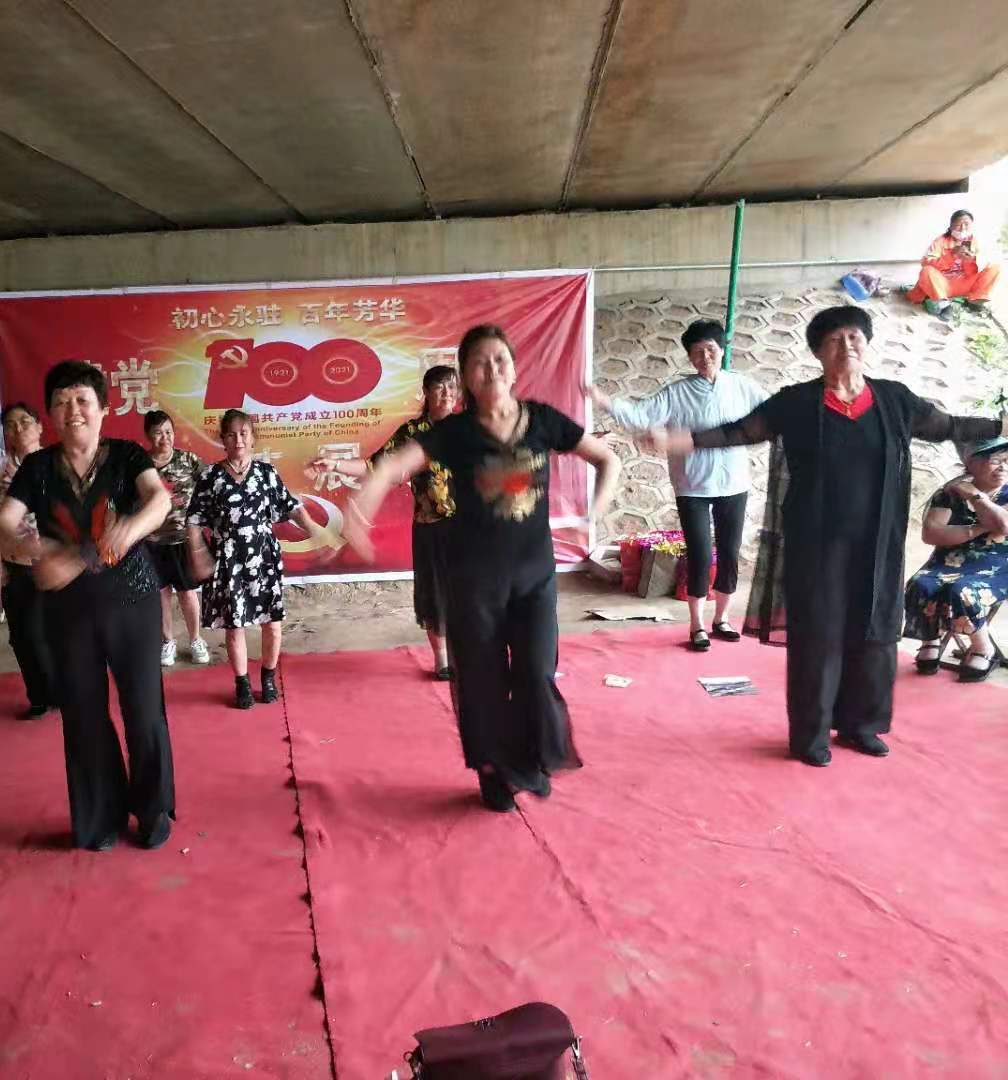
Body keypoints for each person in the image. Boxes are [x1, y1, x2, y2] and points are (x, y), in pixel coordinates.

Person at [646, 305, 1006, 766]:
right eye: (835, 339)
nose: (847, 345)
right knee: (818, 636)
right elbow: (742, 431)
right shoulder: (796, 402)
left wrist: (1000, 427)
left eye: (855, 336)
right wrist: (687, 441)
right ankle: (811, 735)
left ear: (867, 343)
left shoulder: (894, 399)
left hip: (876, 545)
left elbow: (949, 426)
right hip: (815, 544)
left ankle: (861, 725)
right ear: (818, 351)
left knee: (873, 632)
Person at [345, 325, 621, 810]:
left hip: (534, 578)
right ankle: (494, 774)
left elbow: (606, 459)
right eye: (479, 362)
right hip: (474, 582)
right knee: (483, 680)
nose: (491, 369)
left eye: (499, 360)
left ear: (513, 369)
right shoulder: (454, 433)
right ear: (466, 377)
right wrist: (358, 513)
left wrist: (594, 513)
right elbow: (390, 467)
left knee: (537, 672)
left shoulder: (542, 420)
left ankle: (530, 761)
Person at [0, 361, 176, 851]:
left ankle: (153, 809)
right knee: (82, 714)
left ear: (102, 409)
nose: (72, 410)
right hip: (68, 609)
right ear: (50, 414)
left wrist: (128, 529)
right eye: (61, 402)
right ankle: (99, 818)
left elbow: (159, 501)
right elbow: (2, 523)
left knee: (143, 709)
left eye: (82, 401)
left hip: (132, 600)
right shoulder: (37, 468)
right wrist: (35, 551)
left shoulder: (127, 456)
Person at [589, 319, 767, 650]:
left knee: (729, 552)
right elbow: (641, 414)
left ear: (722, 350)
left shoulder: (742, 387)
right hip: (692, 487)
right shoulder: (677, 393)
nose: (704, 357)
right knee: (700, 554)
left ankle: (722, 619)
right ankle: (697, 625)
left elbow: (769, 415)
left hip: (734, 484)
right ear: (689, 357)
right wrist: (605, 401)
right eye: (697, 352)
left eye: (710, 350)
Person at [309, 364, 461, 678]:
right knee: (435, 594)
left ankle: (468, 654)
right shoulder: (413, 433)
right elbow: (374, 467)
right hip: (430, 527)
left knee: (470, 591)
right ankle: (442, 659)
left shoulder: (469, 428)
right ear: (426, 392)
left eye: (452, 386)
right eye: (439, 386)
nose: (447, 393)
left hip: (468, 528)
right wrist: (335, 464)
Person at [186, 410, 334, 710]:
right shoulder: (210, 476)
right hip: (228, 560)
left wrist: (317, 531)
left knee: (273, 624)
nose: (238, 440)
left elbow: (291, 507)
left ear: (253, 438)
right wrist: (199, 555)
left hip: (264, 558)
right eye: (231, 434)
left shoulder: (266, 473)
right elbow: (193, 520)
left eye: (244, 433)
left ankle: (268, 678)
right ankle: (241, 683)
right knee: (234, 626)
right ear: (223, 439)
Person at [0, 402, 61, 718]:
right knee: (24, 637)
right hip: (17, 566)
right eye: (10, 425)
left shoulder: (60, 464)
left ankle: (68, 692)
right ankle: (39, 696)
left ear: (39, 427)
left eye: (25, 422)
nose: (18, 429)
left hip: (58, 563)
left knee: (63, 632)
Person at [904, 436, 1008, 682]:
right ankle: (930, 639)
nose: (1003, 467)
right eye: (995, 460)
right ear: (972, 463)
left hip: (997, 564)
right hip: (947, 561)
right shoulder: (948, 494)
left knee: (962, 590)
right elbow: (931, 533)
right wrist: (980, 528)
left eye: (1007, 461)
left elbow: (1004, 525)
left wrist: (976, 497)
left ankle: (983, 647)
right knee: (920, 584)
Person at [142, 410, 210, 668]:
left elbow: (209, 487)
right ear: (148, 435)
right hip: (152, 541)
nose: (165, 438)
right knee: (161, 595)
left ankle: (195, 639)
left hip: (183, 539)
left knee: (187, 593)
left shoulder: (188, 459)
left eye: (169, 432)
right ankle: (167, 641)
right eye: (158, 433)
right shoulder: (141, 465)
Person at [906, 209, 1000, 320]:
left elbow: (978, 269)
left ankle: (975, 301)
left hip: (964, 283)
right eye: (958, 225)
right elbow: (926, 262)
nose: (963, 228)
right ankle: (943, 305)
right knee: (926, 271)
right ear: (951, 227)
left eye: (966, 224)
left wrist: (970, 260)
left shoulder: (976, 241)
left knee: (994, 267)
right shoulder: (940, 241)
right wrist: (951, 255)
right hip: (942, 285)